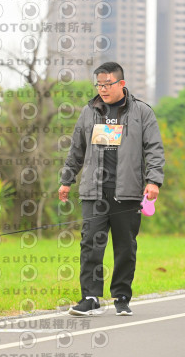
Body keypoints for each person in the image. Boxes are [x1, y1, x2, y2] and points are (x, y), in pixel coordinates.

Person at [58, 61, 165, 316]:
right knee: (90, 245)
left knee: (125, 247)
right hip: (94, 191)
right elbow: (76, 149)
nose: (103, 89)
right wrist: (66, 180)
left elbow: (154, 149)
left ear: (121, 84)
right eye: (99, 85)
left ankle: (121, 297)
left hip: (127, 192)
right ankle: (90, 298)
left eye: (108, 84)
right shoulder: (90, 111)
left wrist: (153, 181)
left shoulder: (142, 112)